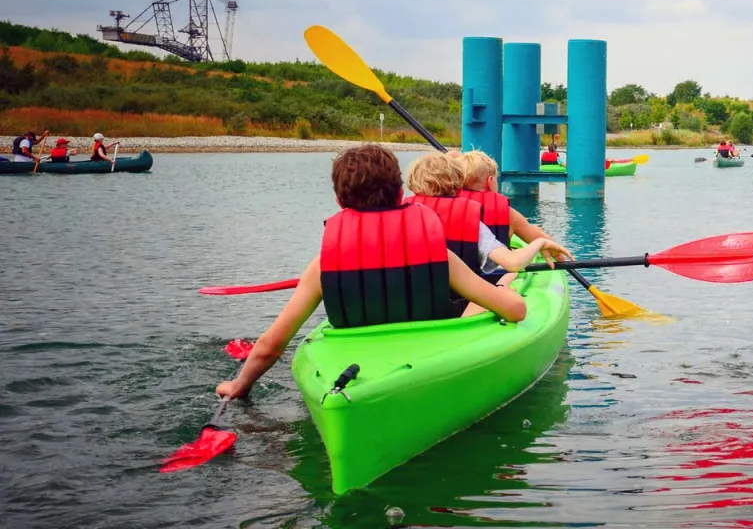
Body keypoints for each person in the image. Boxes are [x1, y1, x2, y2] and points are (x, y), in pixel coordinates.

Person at [214, 144, 527, 399]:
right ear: (398, 195)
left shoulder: (324, 265)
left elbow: (270, 347)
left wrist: (239, 386)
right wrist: (506, 292)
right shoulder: (440, 257)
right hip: (432, 358)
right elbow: (515, 311)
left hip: (353, 367)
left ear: (339, 201)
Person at [405, 153, 572, 283]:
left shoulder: (405, 218)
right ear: (490, 181)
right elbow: (539, 245)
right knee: (509, 279)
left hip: (425, 294)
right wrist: (541, 241)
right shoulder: (493, 215)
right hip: (486, 284)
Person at [456, 150, 561, 250]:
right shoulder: (509, 214)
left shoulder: (447, 207)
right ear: (490, 181)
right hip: (498, 267)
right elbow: (543, 240)